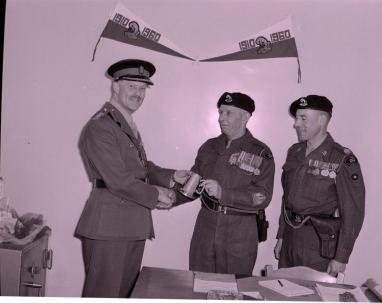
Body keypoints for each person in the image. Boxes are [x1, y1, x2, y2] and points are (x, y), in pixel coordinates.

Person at [75, 59, 188, 298]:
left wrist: (171, 177)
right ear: (115, 86)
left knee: (126, 294)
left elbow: (140, 167)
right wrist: (157, 194)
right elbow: (119, 180)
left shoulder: (123, 123)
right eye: (131, 86)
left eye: (142, 88)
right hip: (110, 226)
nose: (138, 93)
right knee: (104, 295)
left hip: (131, 223)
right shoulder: (100, 126)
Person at [176, 92, 275, 275]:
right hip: (206, 227)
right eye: (220, 112)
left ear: (245, 117)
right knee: (200, 283)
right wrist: (168, 197)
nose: (221, 118)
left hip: (239, 233)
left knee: (233, 289)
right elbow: (193, 185)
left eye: (228, 113)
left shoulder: (261, 153)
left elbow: (263, 197)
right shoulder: (209, 146)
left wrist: (224, 194)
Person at [274, 95, 365, 277]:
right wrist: (281, 236)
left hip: (319, 244)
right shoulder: (295, 152)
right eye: (296, 118)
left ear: (322, 120)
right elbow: (288, 198)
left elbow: (353, 213)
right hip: (290, 238)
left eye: (303, 118)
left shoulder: (341, 159)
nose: (296, 124)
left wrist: (341, 257)